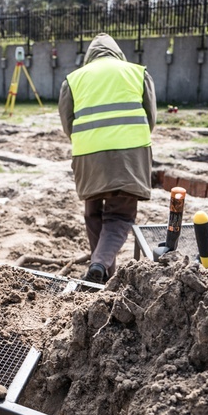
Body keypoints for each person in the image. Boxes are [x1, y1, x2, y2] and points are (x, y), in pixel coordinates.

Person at [58, 33, 156, 284]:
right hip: (128, 155)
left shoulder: (74, 79)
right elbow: (150, 117)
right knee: (120, 215)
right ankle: (100, 264)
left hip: (88, 155)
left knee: (93, 213)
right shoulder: (136, 73)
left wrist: (89, 141)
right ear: (117, 53)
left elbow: (67, 123)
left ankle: (100, 271)